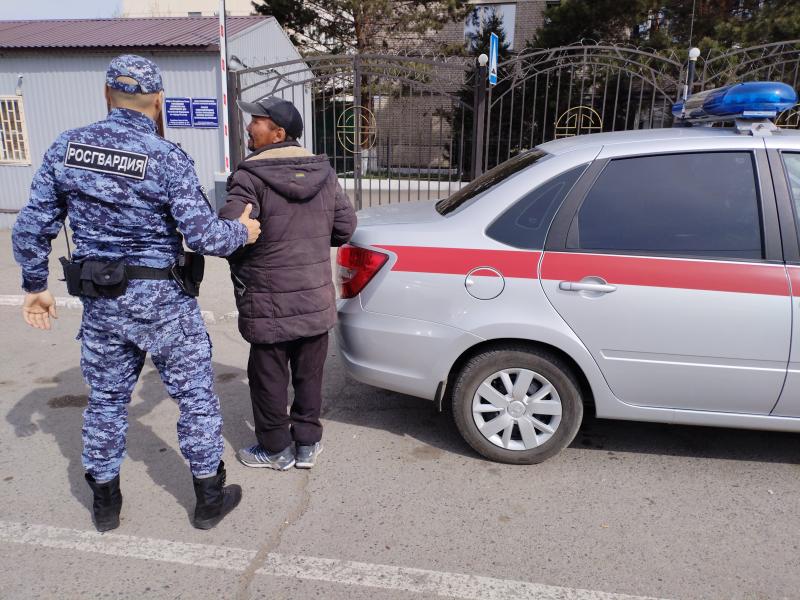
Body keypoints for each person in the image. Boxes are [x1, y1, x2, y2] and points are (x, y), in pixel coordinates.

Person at [11, 55, 261, 532]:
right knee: (196, 400)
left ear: (107, 95)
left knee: (106, 400)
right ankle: (208, 499)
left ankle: (105, 507)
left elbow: (30, 226)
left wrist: (35, 286)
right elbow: (204, 236)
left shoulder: (67, 148)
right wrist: (242, 232)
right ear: (158, 99)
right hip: (164, 302)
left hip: (103, 302)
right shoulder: (166, 157)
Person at [219, 96, 356, 471]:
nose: (249, 126)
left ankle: (276, 448)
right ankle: (307, 444)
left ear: (278, 133)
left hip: (268, 302)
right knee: (309, 375)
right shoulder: (325, 173)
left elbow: (231, 234)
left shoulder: (248, 178)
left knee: (268, 378)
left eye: (257, 121)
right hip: (313, 297)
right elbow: (345, 227)